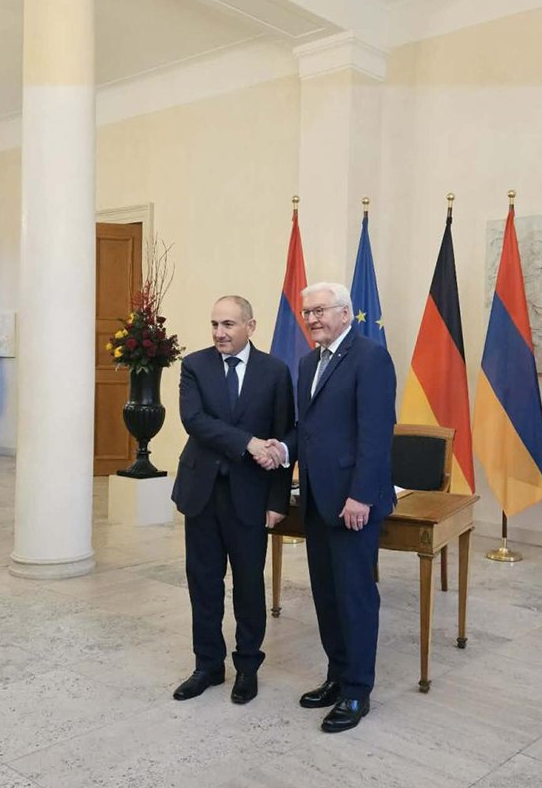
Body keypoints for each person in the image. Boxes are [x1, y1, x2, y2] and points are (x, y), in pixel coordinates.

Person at [275, 281, 396, 733]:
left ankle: (357, 691)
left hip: (352, 503)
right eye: (307, 313)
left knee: (354, 598)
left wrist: (361, 494)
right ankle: (336, 676)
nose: (312, 319)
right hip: (316, 499)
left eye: (320, 311)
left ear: (345, 313)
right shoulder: (309, 363)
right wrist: (281, 450)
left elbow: (376, 434)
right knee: (326, 595)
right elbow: (307, 429)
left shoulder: (370, 357)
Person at [170, 296, 294, 705]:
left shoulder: (275, 371)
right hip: (202, 493)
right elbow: (195, 420)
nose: (219, 333)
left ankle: (247, 667)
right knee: (203, 583)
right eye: (215, 324)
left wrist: (277, 500)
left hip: (251, 496)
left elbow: (284, 437)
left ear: (250, 326)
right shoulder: (195, 365)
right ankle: (207, 665)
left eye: (228, 324)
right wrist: (248, 442)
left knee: (248, 585)